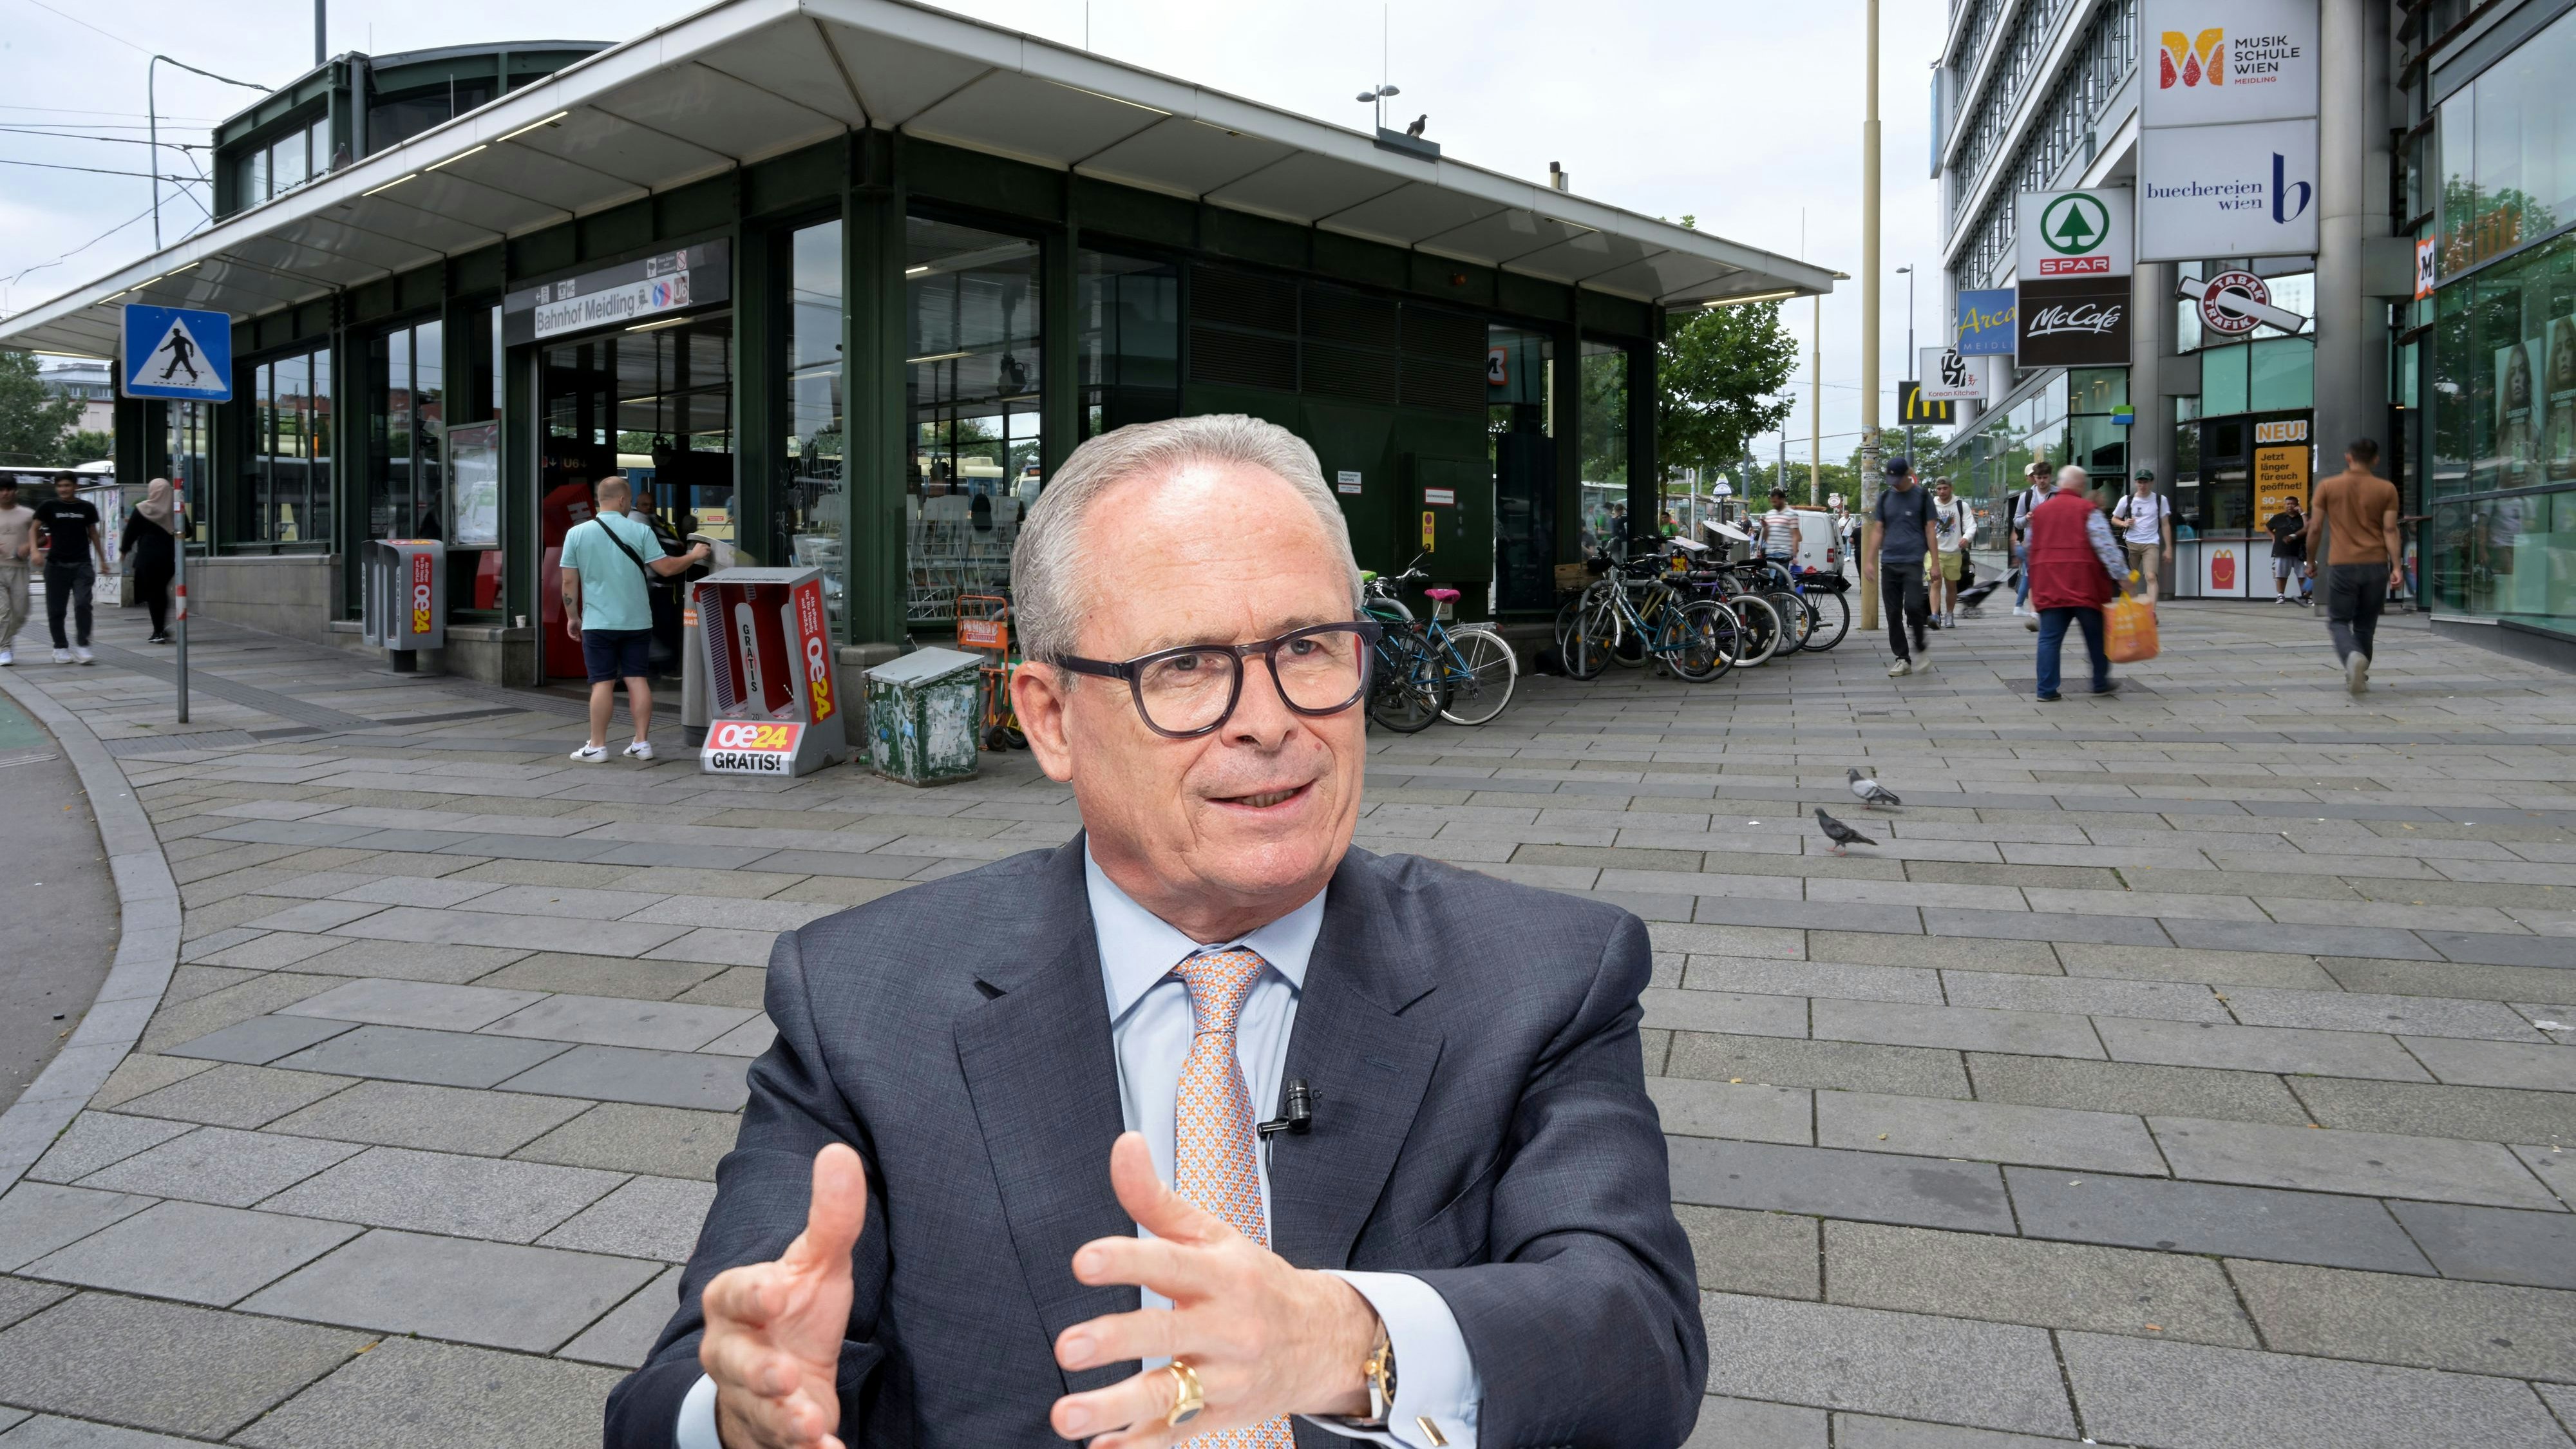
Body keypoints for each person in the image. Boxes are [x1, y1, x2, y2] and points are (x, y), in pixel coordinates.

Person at [603, 415, 1705, 1449]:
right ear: (1048, 718)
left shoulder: (1544, 974)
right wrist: (741, 1410)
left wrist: (1349, 1342)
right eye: (1185, 668)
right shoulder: (861, 998)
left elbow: (1638, 1340)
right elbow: (672, 1399)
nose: (1270, 722)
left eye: (1310, 648)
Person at [559, 474, 709, 762]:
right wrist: (694, 555)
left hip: (598, 621)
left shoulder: (576, 534)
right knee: (637, 679)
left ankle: (597, 746)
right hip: (637, 620)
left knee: (602, 682)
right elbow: (666, 568)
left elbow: (568, 583)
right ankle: (641, 743)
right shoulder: (639, 532)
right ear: (623, 499)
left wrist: (572, 617)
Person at [2306, 438, 2403, 695]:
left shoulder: (2327, 486)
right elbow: (2390, 529)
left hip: (2343, 564)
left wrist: (2310, 561)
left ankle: (2351, 657)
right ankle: (2360, 671)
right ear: (2375, 460)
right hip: (2375, 564)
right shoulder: (2387, 489)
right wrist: (2397, 567)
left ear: (2348, 458)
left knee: (2338, 620)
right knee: (2365, 624)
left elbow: (2315, 528)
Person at [2026, 464, 2130, 701]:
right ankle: (2100, 682)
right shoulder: (2088, 510)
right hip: (2085, 585)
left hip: (2050, 585)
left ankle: (2046, 690)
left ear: (2061, 483)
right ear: (2080, 485)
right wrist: (2123, 579)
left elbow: (2029, 547)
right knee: (2096, 636)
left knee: (2049, 639)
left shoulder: (2041, 513)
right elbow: (2106, 548)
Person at [1866, 456, 1937, 676]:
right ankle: (1902, 658)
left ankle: (1921, 647)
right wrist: (1869, 560)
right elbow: (1878, 530)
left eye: (1897, 478)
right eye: (1891, 478)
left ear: (1908, 475)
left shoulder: (1923, 496)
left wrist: (1935, 563)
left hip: (1913, 561)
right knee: (1893, 613)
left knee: (1915, 607)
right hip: (1889, 562)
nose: (1894, 482)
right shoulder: (1886, 497)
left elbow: (1930, 531)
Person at [32, 473, 109, 666]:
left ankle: (83, 646)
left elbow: (93, 533)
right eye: (59, 486)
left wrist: (102, 560)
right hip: (56, 565)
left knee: (83, 603)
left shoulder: (87, 508)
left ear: (76, 486)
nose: (63, 489)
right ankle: (60, 647)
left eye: (67, 485)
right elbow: (33, 529)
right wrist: (34, 551)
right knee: (56, 609)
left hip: (82, 564)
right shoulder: (48, 507)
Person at [119, 478, 184, 644]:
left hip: (147, 558)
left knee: (154, 594)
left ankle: (158, 631)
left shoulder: (142, 509)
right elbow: (188, 531)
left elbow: (130, 533)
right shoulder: (175, 509)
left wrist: (123, 551)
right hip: (168, 557)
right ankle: (161, 627)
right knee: (160, 591)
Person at [2109, 471, 2174, 605]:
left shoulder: (2160, 500)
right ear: (2135, 483)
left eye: (2145, 482)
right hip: (2130, 543)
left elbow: (2166, 524)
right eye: (2140, 482)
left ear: (2151, 482)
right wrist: (2124, 523)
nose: (2142, 485)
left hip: (2151, 543)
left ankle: (2151, 612)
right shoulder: (2127, 500)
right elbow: (2114, 519)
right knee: (2130, 579)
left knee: (2151, 577)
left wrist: (2168, 548)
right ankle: (2134, 610)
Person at [2007, 460, 2051, 627]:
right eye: (2037, 477)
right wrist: (2026, 518)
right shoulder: (2027, 497)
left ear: (2049, 477)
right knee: (2033, 577)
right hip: (2031, 545)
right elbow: (2017, 523)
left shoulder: (2057, 494)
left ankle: (2039, 609)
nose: (2040, 480)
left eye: (2044, 477)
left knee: (2040, 577)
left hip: (2052, 544)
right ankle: (2034, 613)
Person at [1928, 477, 1975, 629]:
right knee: (1935, 582)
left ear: (1951, 488)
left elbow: (1971, 526)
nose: (1942, 492)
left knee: (1951, 585)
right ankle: (1935, 615)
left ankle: (1949, 614)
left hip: (1954, 552)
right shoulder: (1930, 505)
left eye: (1945, 488)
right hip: (1934, 552)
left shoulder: (1962, 506)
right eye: (1939, 489)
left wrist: (1966, 538)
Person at [0, 478, 32, 668]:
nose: (5, 493)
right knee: (3, 611)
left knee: (20, 612)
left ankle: (6, 640)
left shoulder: (28, 515)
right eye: (1, 490)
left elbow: (42, 539)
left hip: (20, 568)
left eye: (9, 489)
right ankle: (4, 647)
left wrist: (28, 547)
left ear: (16, 491)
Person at [2265, 496, 2308, 605]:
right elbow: (2267, 528)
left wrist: (2302, 513)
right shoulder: (2278, 517)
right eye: (2288, 504)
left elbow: (2308, 527)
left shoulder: (2303, 517)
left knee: (2302, 575)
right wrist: (2273, 537)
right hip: (2282, 550)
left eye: (2292, 504)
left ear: (2297, 505)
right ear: (2285, 505)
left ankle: (2305, 596)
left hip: (2300, 550)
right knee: (2281, 574)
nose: (2290, 506)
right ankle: (2281, 595)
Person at [1757, 487, 1801, 585]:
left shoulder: (1791, 514)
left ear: (1782, 499)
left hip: (1784, 553)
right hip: (1771, 553)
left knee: (1779, 582)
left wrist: (1794, 555)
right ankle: (1776, 599)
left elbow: (1795, 536)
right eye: (1772, 502)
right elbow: (1766, 537)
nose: (1774, 504)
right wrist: (1765, 527)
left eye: (1776, 502)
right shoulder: (1770, 514)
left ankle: (1782, 599)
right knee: (1772, 582)